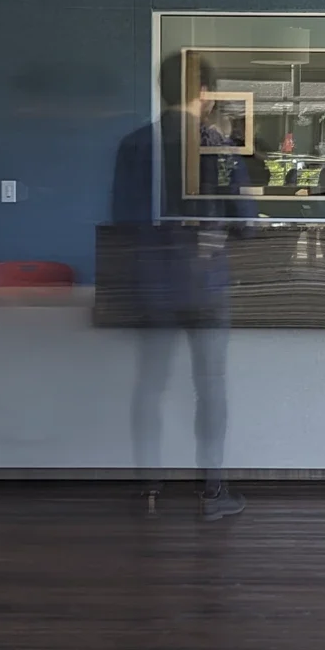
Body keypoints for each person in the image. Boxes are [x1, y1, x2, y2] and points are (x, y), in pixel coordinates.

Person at [111, 54, 246, 520]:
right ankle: (212, 493)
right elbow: (244, 223)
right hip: (205, 285)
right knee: (209, 387)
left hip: (152, 285)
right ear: (204, 92)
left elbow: (122, 219)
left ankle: (147, 487)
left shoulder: (133, 145)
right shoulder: (217, 146)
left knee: (149, 385)